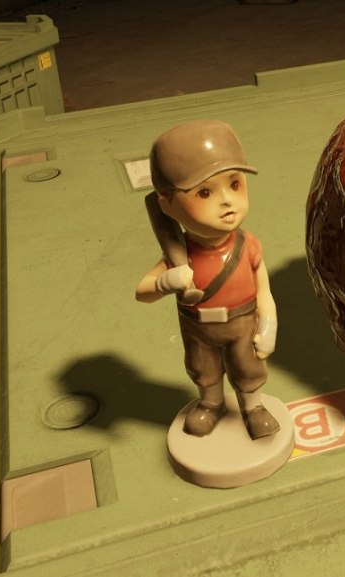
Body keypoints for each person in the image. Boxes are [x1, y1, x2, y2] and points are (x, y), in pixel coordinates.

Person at [135, 120, 280, 439]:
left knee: (248, 368)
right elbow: (142, 292)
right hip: (197, 327)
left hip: (242, 322)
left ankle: (253, 406)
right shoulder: (180, 255)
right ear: (167, 205)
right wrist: (165, 282)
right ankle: (211, 404)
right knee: (204, 369)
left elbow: (264, 291)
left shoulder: (248, 245)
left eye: (235, 184)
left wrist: (268, 324)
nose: (227, 200)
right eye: (204, 192)